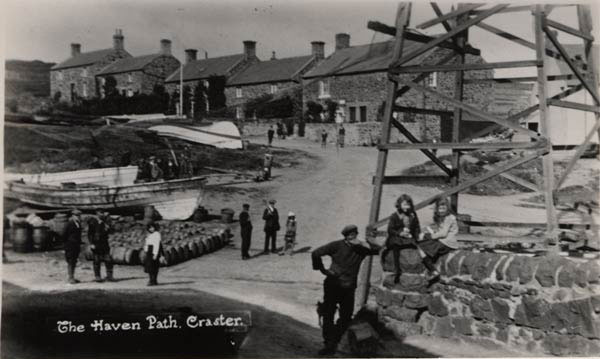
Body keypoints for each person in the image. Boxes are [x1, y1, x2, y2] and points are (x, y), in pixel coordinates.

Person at [311, 225, 378, 355]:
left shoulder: (361, 249)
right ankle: (328, 343)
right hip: (332, 285)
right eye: (351, 235)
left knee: (346, 316)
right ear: (346, 237)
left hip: (349, 287)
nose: (353, 238)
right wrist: (323, 270)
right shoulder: (336, 245)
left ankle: (334, 339)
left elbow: (379, 250)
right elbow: (316, 253)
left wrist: (368, 241)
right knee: (328, 313)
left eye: (355, 235)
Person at [416, 197, 459, 280]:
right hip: (443, 241)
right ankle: (430, 267)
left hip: (447, 242)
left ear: (447, 208)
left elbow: (443, 233)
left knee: (420, 247)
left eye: (443, 208)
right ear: (436, 209)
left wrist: (426, 236)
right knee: (423, 243)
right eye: (439, 208)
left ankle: (432, 270)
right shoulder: (441, 217)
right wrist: (429, 231)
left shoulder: (450, 218)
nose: (441, 210)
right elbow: (439, 230)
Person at [381, 195, 420, 284]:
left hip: (408, 236)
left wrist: (417, 235)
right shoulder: (395, 216)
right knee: (396, 245)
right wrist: (399, 233)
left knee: (418, 245)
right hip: (397, 236)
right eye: (404, 205)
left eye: (408, 205)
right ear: (399, 205)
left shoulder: (413, 214)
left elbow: (417, 226)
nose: (407, 207)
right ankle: (396, 269)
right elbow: (390, 229)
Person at [88, 210, 115, 282]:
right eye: (101, 213)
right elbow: (90, 234)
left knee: (108, 260)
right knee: (97, 260)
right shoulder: (93, 222)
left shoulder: (105, 222)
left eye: (103, 213)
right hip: (96, 243)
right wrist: (91, 243)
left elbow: (111, 231)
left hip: (104, 243)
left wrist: (108, 225)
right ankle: (97, 276)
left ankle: (109, 276)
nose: (102, 214)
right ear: (97, 214)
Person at [64, 209, 83, 284]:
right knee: (71, 261)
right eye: (76, 215)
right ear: (72, 216)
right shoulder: (69, 223)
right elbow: (64, 234)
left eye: (79, 215)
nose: (78, 217)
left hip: (76, 245)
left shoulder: (78, 223)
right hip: (70, 245)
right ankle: (70, 278)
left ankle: (73, 277)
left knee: (74, 261)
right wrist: (66, 244)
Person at [143, 222, 162, 286]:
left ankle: (153, 280)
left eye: (152, 227)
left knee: (154, 266)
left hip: (153, 250)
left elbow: (157, 245)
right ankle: (152, 279)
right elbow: (146, 243)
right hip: (149, 251)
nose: (151, 229)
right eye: (150, 228)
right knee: (149, 266)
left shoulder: (157, 234)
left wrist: (155, 254)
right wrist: (145, 250)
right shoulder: (149, 235)